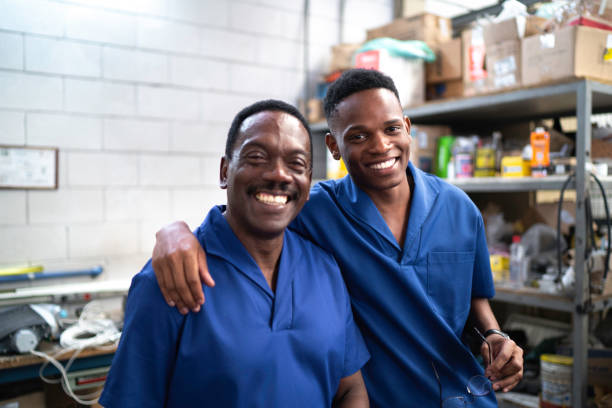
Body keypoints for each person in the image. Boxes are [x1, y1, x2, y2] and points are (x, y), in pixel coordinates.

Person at [151, 70, 524, 407]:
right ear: (333, 147)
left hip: (465, 397)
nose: (380, 146)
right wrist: (175, 233)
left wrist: (493, 335)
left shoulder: (459, 208)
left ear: (408, 128)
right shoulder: (316, 210)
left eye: (392, 128)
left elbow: (474, 298)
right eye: (358, 136)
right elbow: (243, 216)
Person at [99, 100, 370, 407]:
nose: (279, 174)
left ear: (308, 183)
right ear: (225, 171)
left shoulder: (324, 270)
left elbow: (350, 389)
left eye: (296, 164)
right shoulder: (170, 278)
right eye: (257, 157)